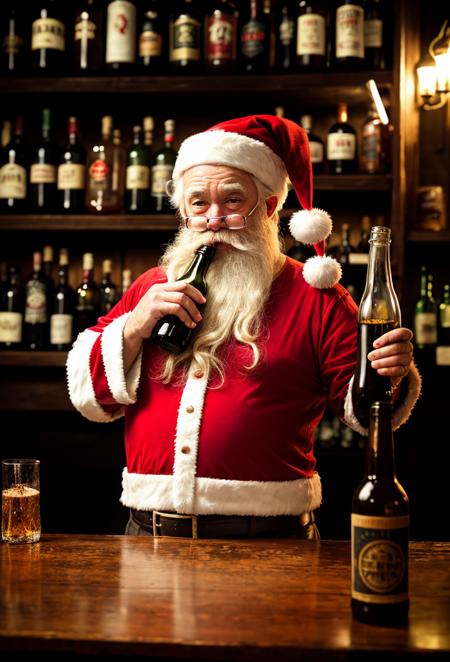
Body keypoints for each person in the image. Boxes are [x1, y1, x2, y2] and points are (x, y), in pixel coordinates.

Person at [67, 115, 421, 539]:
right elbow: (90, 398)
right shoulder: (152, 288)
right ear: (184, 212)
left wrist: (390, 374)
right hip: (150, 537)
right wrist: (133, 327)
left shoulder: (318, 298)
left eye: (232, 201)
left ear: (268, 207)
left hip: (269, 542)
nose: (213, 218)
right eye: (198, 203)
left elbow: (365, 414)